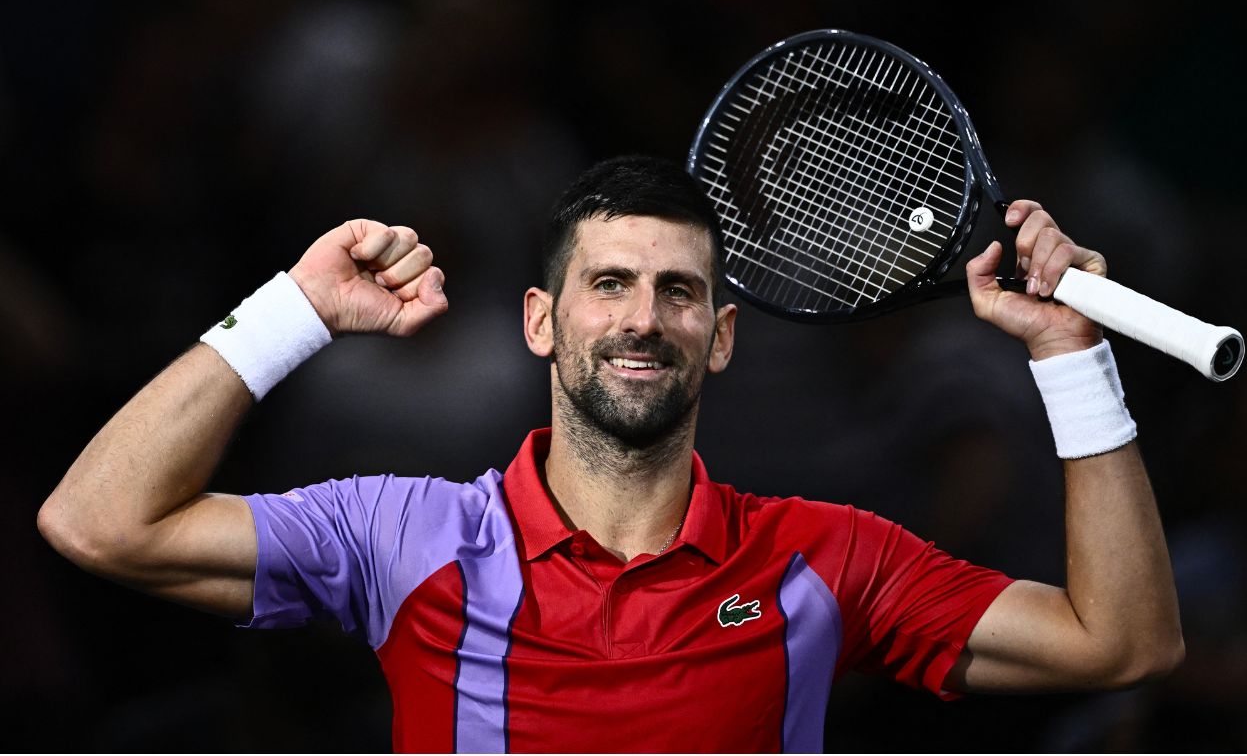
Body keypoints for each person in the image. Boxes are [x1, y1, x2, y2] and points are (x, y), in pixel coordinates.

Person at [39, 156, 1183, 752]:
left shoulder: (819, 562)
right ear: (543, 321)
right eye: (609, 285)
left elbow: (1120, 641)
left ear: (719, 338)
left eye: (678, 292)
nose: (642, 319)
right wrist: (294, 307)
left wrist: (1070, 353)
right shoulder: (405, 537)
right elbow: (98, 521)